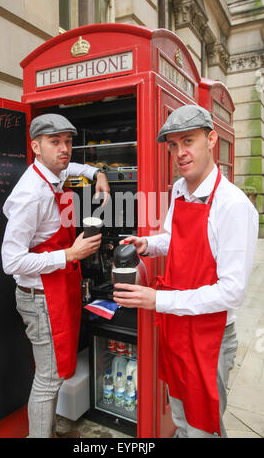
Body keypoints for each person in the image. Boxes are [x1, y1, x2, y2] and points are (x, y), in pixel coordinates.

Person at [113, 104, 259, 438]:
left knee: (202, 427)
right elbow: (172, 238)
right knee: (180, 418)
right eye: (174, 145)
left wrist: (158, 299)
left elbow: (232, 292)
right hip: (178, 327)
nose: (180, 153)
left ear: (211, 139)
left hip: (211, 334)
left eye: (188, 141)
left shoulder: (234, 206)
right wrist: (147, 244)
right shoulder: (180, 189)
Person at [1, 113, 110, 438]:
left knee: (53, 375)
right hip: (41, 298)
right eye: (55, 142)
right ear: (35, 146)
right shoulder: (32, 193)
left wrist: (96, 172)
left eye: (68, 141)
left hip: (57, 289)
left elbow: (68, 166)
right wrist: (69, 255)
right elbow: (11, 260)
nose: (65, 149)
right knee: (48, 379)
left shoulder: (52, 174)